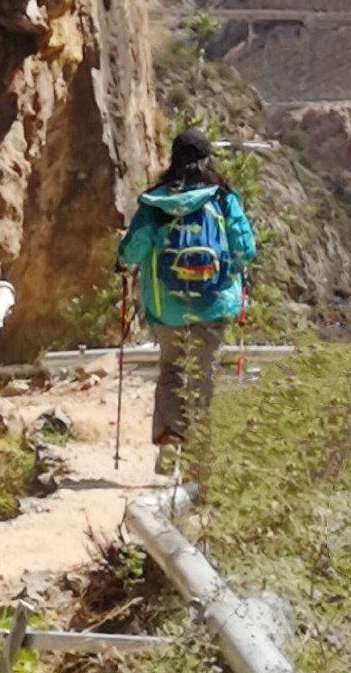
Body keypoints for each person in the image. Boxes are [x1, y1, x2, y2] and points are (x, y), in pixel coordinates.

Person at [117, 128, 256, 475]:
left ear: (173, 159)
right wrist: (233, 272)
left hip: (166, 308)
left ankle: (168, 441)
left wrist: (122, 259)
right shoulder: (223, 199)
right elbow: (246, 249)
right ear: (207, 159)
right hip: (212, 304)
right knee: (202, 374)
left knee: (172, 369)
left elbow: (131, 251)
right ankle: (199, 456)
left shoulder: (155, 203)